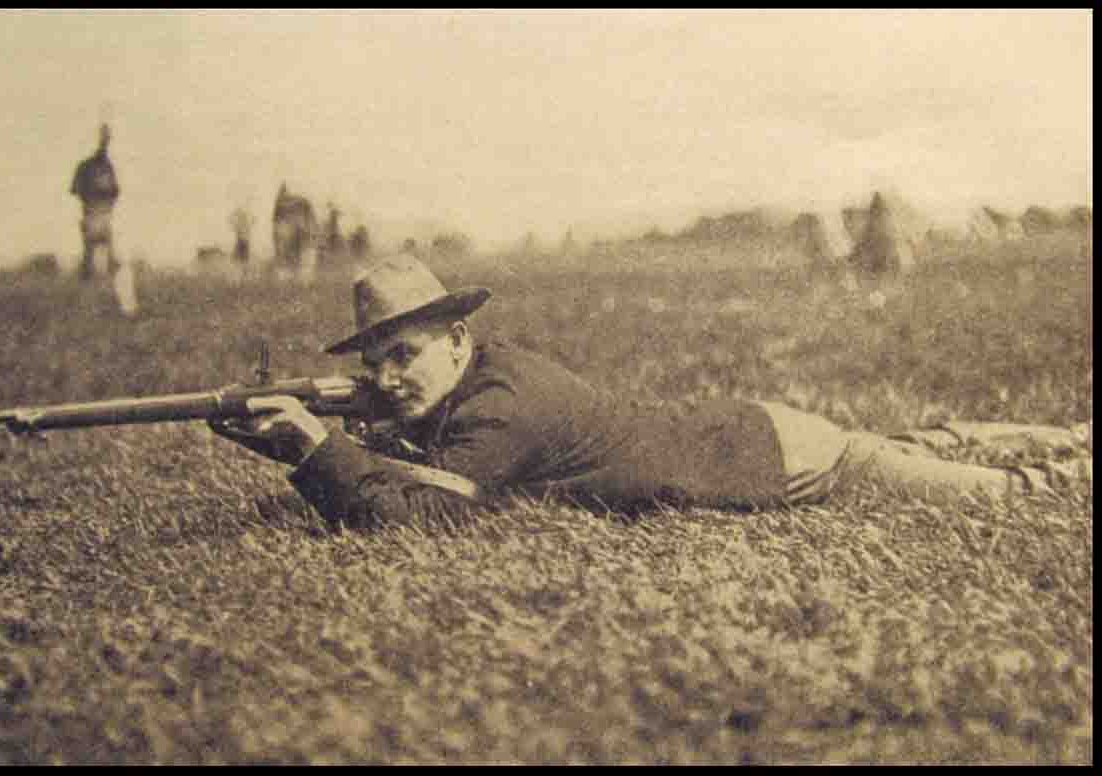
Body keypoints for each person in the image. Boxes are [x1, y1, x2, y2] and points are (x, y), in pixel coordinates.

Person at [209, 254, 1092, 530]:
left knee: (1003, 500)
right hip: (741, 426)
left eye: (402, 356)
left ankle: (1056, 455)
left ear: (457, 338)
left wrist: (316, 453)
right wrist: (315, 440)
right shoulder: (471, 383)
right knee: (928, 445)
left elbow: (430, 519)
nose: (388, 380)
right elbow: (415, 470)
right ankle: (1024, 432)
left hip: (782, 460)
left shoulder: (503, 404)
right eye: (376, 367)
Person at [70, 123, 121, 279]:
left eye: (107, 140)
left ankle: (107, 273)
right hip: (91, 212)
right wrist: (91, 196)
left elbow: (115, 190)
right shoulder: (86, 166)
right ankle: (87, 277)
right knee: (91, 247)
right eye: (104, 139)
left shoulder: (108, 166)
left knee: (105, 243)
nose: (106, 144)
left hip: (103, 212)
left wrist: (108, 198)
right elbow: (75, 188)